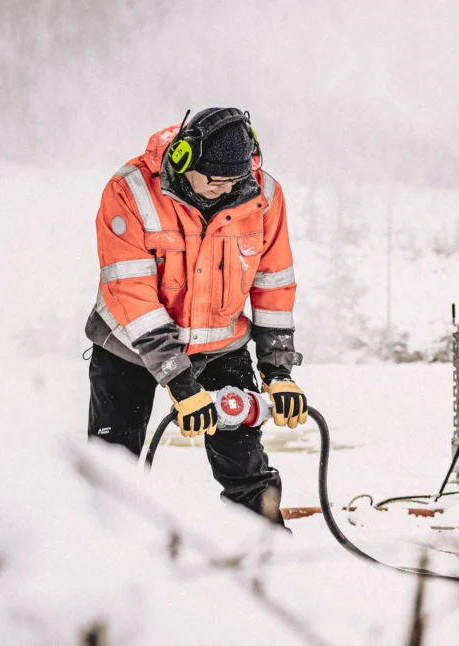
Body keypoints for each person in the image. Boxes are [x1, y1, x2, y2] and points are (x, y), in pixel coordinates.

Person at [85, 107, 307, 526]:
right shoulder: (129, 191)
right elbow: (133, 295)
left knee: (247, 468)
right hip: (130, 348)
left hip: (222, 346)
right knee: (111, 470)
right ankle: (107, 565)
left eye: (234, 180)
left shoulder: (264, 194)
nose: (224, 190)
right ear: (185, 159)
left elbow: (273, 284)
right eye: (215, 180)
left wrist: (278, 373)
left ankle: (269, 559)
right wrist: (180, 383)